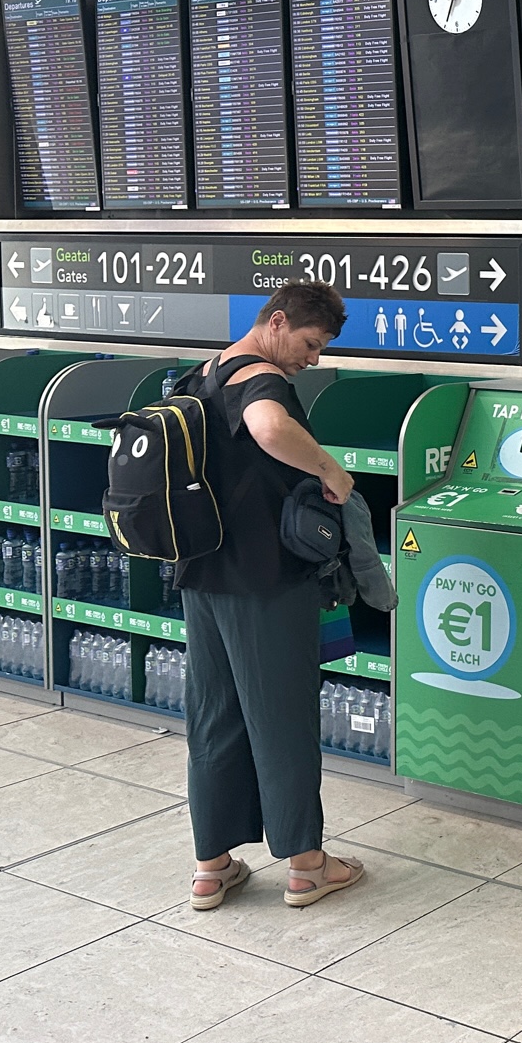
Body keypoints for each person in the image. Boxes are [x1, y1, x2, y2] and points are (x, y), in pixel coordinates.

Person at [180, 281, 365, 910]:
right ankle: (307, 868)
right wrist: (329, 469)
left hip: (203, 573)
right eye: (310, 344)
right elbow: (267, 428)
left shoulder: (202, 375)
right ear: (278, 321)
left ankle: (211, 868)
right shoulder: (262, 378)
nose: (313, 358)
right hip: (263, 580)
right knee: (283, 718)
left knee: (214, 717)